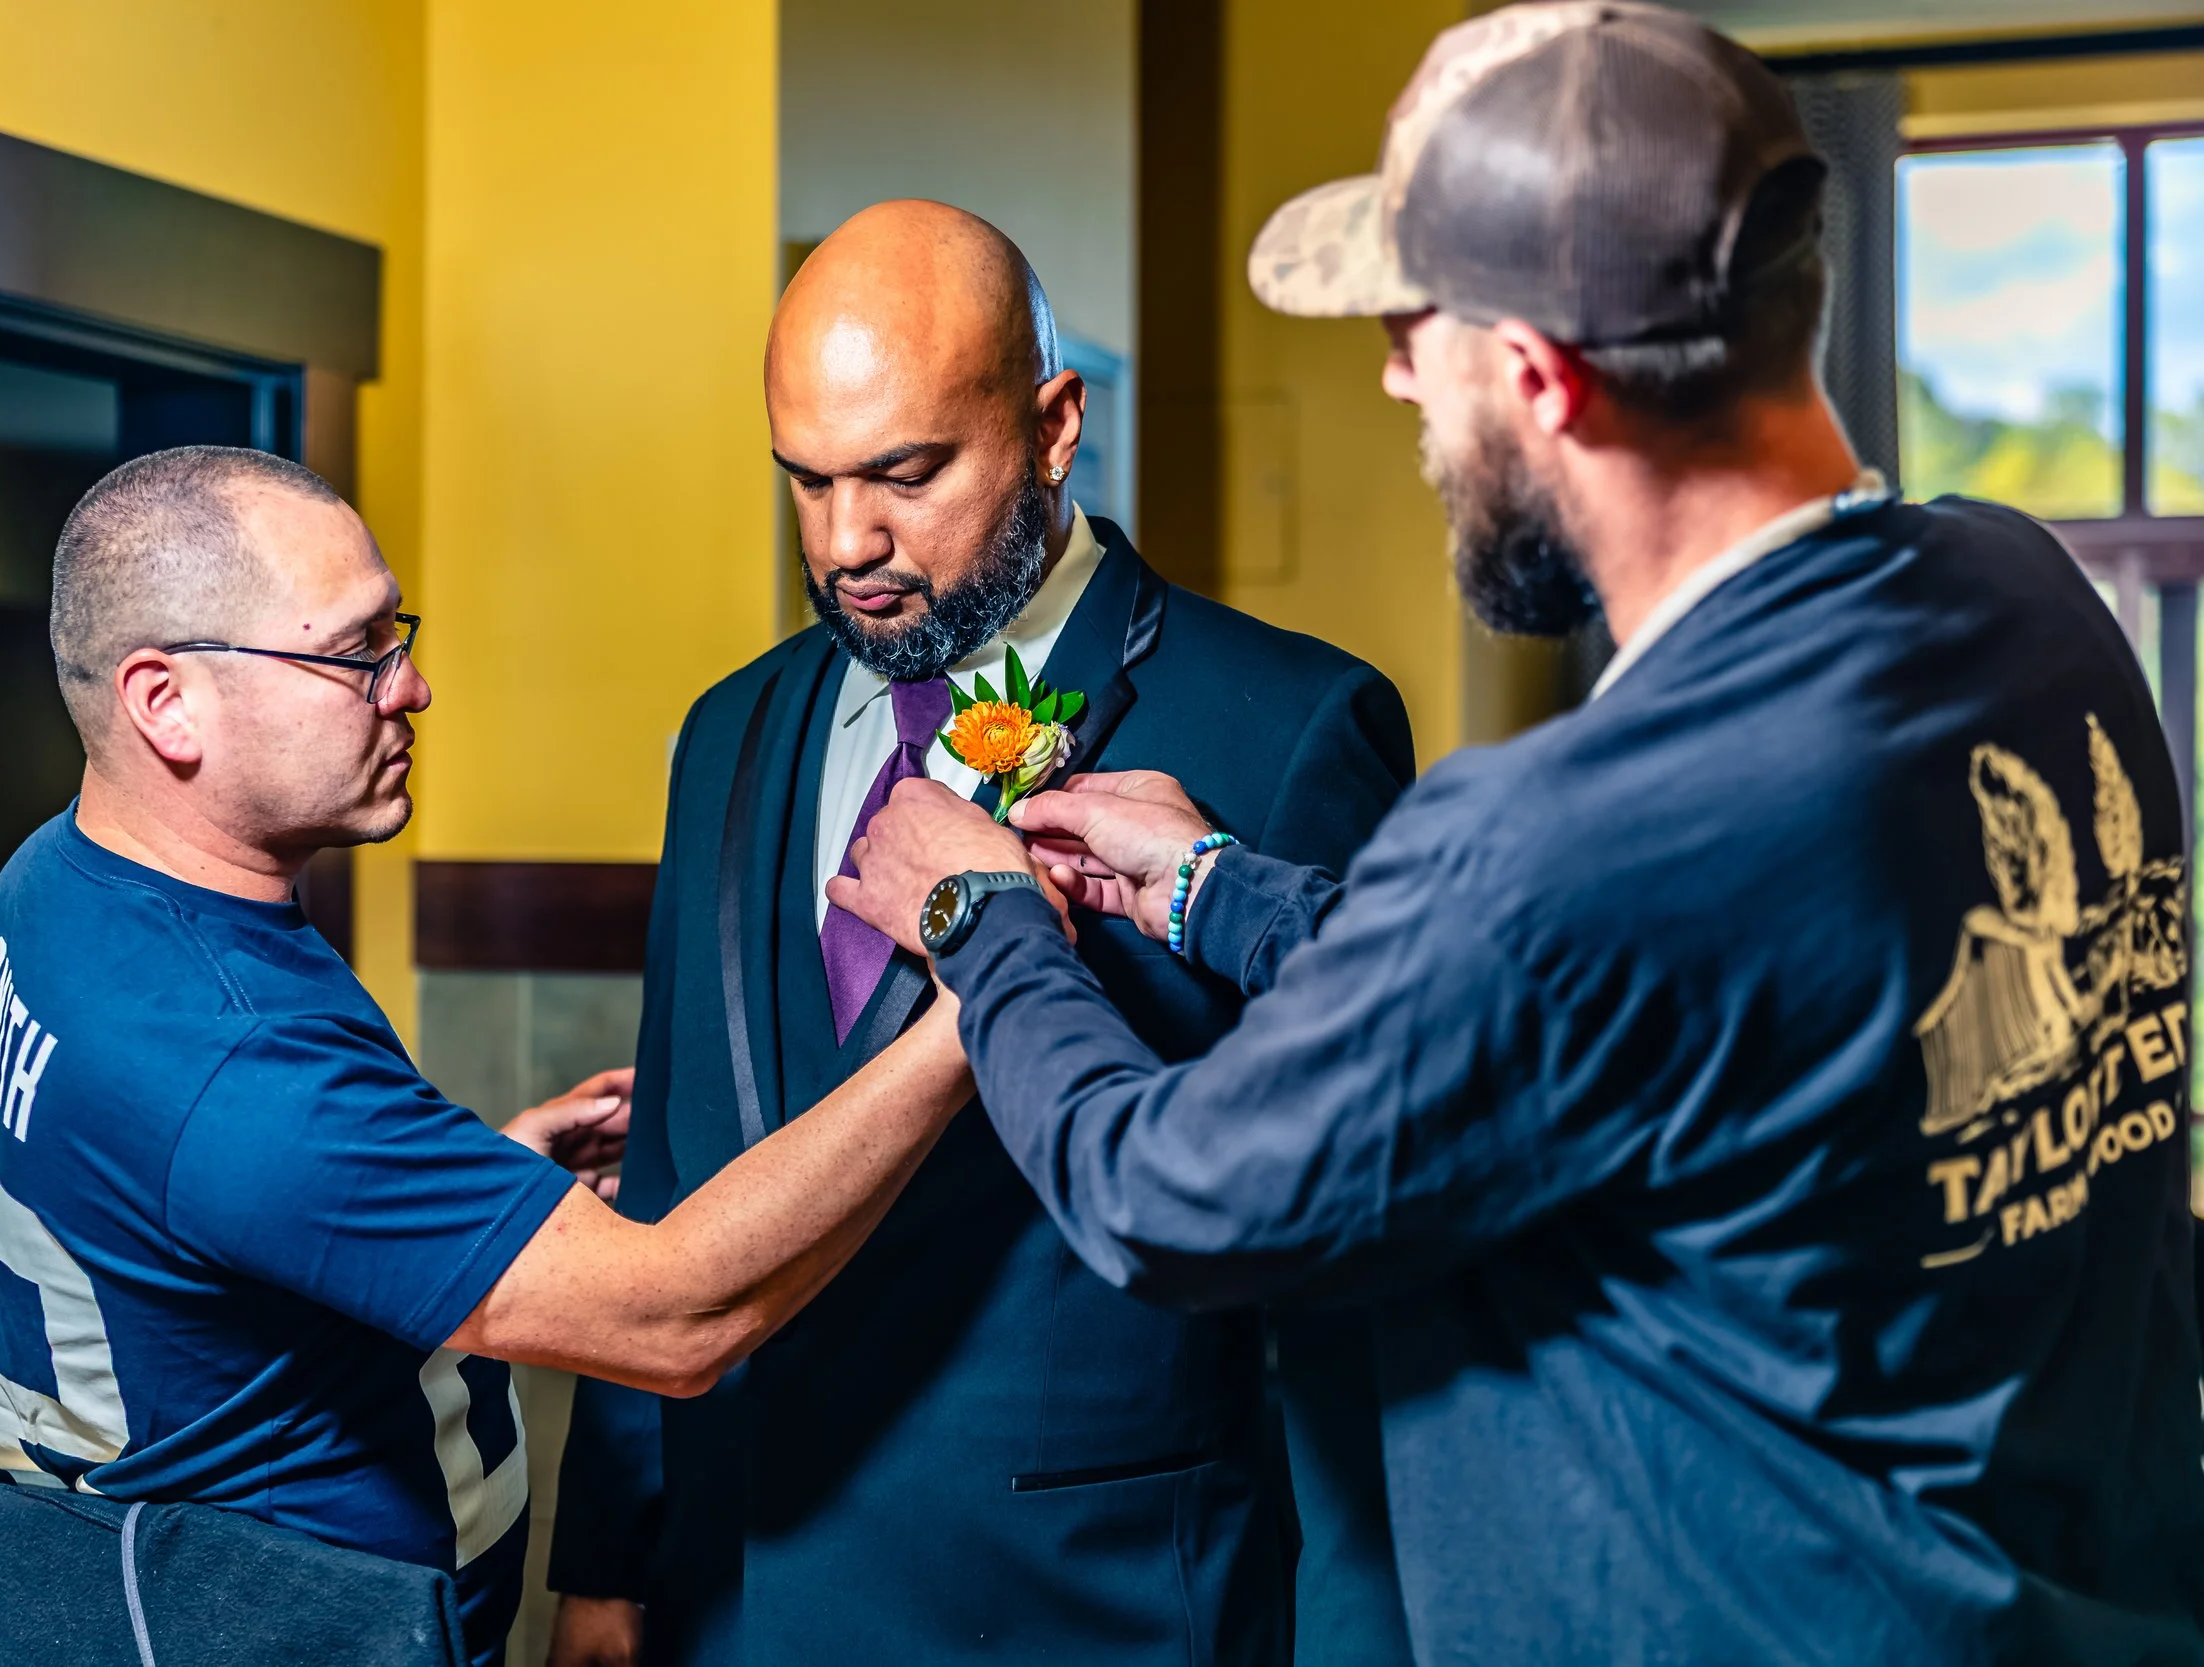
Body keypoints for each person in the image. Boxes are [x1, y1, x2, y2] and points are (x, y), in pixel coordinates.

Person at [832, 6, 2204, 1664]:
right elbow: (1619, 985)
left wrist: (988, 927)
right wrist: (1208, 887)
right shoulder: (2029, 601)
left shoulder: (1563, 836)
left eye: (1422, 330)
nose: (1399, 373)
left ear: (1544, 381)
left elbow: (1172, 1194)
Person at [544, 200, 1413, 1667]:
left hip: (1086, 1607)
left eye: (906, 474)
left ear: (1057, 424)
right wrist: (610, 1566)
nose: (848, 544)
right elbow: (678, 1168)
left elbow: (1348, 1295)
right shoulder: (729, 732)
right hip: (735, 1597)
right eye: (805, 483)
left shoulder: (1287, 729)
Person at [0, 445, 976, 1667]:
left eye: (399, 632)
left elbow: (201, 1204)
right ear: (165, 702)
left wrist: (457, 1185)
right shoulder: (244, 1071)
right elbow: (678, 1318)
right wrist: (979, 1003)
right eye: (354, 651)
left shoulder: (51, 889)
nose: (412, 686)